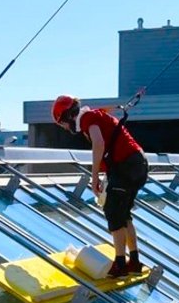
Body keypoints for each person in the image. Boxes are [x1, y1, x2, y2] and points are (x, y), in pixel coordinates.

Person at [51, 96, 148, 278]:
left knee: (113, 213)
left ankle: (120, 265)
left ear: (67, 117)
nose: (64, 128)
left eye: (62, 124)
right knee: (123, 214)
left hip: (126, 165)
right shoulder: (95, 116)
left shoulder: (88, 119)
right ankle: (133, 262)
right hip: (136, 164)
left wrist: (94, 175)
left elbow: (99, 143)